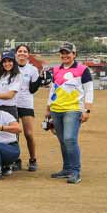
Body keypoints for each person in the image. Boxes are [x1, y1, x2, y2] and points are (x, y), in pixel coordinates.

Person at [45, 41, 93, 185]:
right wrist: (48, 108)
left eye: (68, 53)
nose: (65, 55)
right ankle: (66, 169)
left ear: (74, 54)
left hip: (73, 109)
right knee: (62, 140)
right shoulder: (56, 70)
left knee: (69, 139)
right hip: (56, 109)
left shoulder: (82, 69)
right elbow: (53, 89)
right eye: (62, 53)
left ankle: (75, 172)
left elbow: (89, 90)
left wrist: (87, 110)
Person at [14, 44, 43, 171]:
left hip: (26, 104)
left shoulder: (32, 69)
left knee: (29, 134)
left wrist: (40, 79)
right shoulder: (11, 67)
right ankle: (15, 159)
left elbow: (33, 89)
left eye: (25, 51)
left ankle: (33, 159)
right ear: (16, 54)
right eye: (19, 51)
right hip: (11, 104)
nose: (22, 53)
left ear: (28, 54)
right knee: (13, 134)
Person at [0, 51, 21, 119]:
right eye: (4, 62)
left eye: (9, 61)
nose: (7, 64)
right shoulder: (0, 75)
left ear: (14, 62)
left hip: (9, 109)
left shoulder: (17, 75)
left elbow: (10, 95)